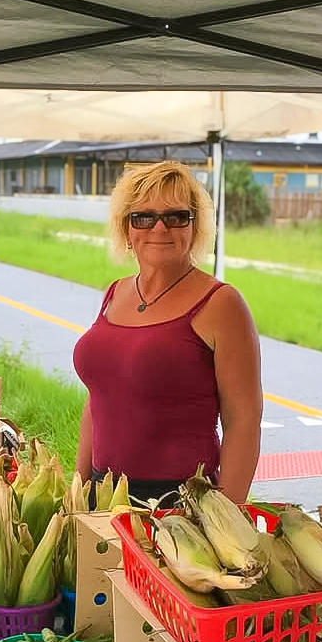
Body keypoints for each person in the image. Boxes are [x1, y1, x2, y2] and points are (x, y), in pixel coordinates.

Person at [73, 160, 263, 505]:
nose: (159, 228)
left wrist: (226, 518)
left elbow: (243, 421)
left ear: (195, 227)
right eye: (143, 217)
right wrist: (80, 486)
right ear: (127, 229)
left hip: (179, 503)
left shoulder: (222, 304)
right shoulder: (115, 293)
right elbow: (98, 400)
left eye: (176, 216)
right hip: (103, 495)